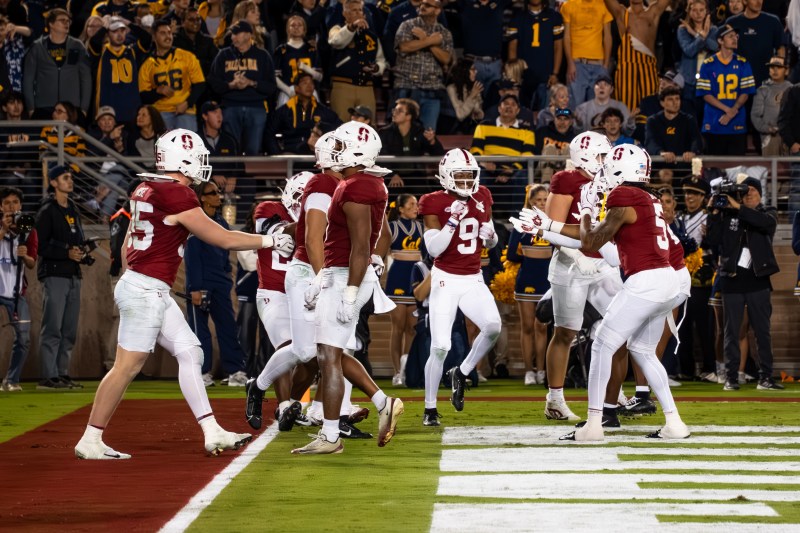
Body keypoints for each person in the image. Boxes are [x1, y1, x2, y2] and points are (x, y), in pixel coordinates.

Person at [73, 128, 294, 460]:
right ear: (183, 158)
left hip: (146, 286)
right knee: (127, 367)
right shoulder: (177, 193)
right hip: (145, 290)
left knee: (190, 352)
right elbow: (221, 237)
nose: (203, 163)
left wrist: (134, 274)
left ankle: (212, 431)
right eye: (199, 156)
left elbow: (126, 243)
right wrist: (269, 241)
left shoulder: (145, 188)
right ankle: (90, 438)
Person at [516, 143, 690, 441]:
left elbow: (592, 240)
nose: (604, 170)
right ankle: (675, 423)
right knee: (643, 351)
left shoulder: (623, 195)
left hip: (645, 283)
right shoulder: (647, 197)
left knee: (601, 346)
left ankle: (594, 425)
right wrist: (547, 226)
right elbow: (598, 239)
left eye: (609, 165)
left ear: (621, 169)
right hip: (666, 281)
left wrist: (584, 208)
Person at [292, 122, 404, 454]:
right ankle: (383, 403)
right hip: (342, 273)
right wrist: (324, 276)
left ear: (355, 151)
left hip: (346, 277)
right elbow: (378, 238)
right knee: (333, 354)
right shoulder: (365, 183)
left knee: (327, 355)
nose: (335, 150)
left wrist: (351, 290)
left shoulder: (356, 187)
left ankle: (329, 436)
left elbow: (357, 246)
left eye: (341, 145)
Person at [533, 131, 622, 422]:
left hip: (603, 263)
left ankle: (612, 396)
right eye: (600, 155)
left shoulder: (609, 179)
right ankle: (554, 399)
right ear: (584, 155)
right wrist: (580, 250)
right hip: (572, 263)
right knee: (565, 333)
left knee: (621, 328)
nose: (605, 161)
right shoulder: (567, 179)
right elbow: (552, 230)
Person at [418, 149, 501, 425]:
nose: (466, 180)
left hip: (473, 277)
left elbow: (489, 238)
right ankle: (430, 409)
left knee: (493, 326)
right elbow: (433, 248)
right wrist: (452, 220)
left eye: (469, 174)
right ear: (446, 176)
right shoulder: (433, 201)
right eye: (460, 175)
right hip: (445, 278)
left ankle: (461, 373)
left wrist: (491, 237)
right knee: (440, 346)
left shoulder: (483, 196)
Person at [705, 175, 783, 390]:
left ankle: (765, 377)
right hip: (732, 280)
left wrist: (737, 207)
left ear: (760, 193)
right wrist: (713, 213)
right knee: (731, 331)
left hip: (758, 280)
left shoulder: (768, 212)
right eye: (744, 191)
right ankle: (731, 378)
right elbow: (712, 241)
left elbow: (764, 224)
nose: (749, 193)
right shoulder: (728, 214)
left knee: (762, 331)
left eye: (752, 190)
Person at [252, 171, 315, 424]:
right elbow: (275, 233)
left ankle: (292, 405)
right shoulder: (269, 208)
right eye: (300, 196)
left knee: (312, 357)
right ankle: (284, 404)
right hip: (273, 292)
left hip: (304, 294)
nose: (303, 203)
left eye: (308, 198)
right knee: (287, 345)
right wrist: (319, 220)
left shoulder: (319, 218)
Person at [185, 179, 250, 387]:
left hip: (221, 283)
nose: (217, 196)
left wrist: (226, 274)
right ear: (202, 197)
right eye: (212, 193)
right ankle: (201, 372)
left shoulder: (221, 222)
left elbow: (225, 253)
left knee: (227, 327)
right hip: (201, 283)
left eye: (217, 192)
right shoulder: (195, 221)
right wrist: (195, 287)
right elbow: (192, 257)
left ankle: (235, 371)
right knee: (199, 330)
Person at [35, 165, 88, 390]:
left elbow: (78, 239)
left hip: (73, 273)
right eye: (65, 178)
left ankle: (62, 373)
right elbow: (40, 245)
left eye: (70, 178)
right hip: (55, 273)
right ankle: (49, 376)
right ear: (54, 182)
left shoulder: (73, 209)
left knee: (69, 329)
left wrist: (82, 252)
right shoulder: (47, 210)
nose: (70, 181)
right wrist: (66, 252)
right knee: (53, 327)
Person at [208, 20, 276, 156]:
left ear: (248, 35)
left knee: (253, 150)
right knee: (232, 149)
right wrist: (231, 85)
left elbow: (271, 87)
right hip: (230, 107)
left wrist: (251, 83)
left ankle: (249, 178)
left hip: (256, 107)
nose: (233, 37)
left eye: (237, 33)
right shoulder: (223, 55)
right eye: (232, 34)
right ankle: (233, 177)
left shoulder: (262, 56)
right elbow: (213, 83)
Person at [506, 185, 550, 385]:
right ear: (531, 202)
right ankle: (528, 371)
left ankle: (541, 369)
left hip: (547, 280)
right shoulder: (521, 224)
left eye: (545, 199)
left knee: (542, 326)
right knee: (527, 327)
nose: (542, 203)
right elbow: (511, 255)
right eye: (539, 200)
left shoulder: (552, 223)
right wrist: (529, 258)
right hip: (527, 279)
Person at [393, 0, 453, 131]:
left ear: (437, 10)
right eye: (422, 4)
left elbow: (446, 58)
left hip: (432, 90)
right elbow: (404, 47)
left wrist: (424, 39)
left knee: (427, 135)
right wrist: (431, 40)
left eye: (427, 5)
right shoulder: (408, 25)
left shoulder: (445, 33)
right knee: (401, 132)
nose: (422, 7)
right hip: (406, 87)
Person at [696, 24, 756, 155]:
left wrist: (732, 111)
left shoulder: (743, 63)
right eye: (730, 36)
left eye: (736, 36)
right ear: (720, 40)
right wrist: (728, 110)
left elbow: (746, 92)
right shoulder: (708, 64)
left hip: (737, 124)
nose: (735, 39)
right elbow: (705, 94)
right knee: (714, 169)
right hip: (713, 123)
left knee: (737, 169)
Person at [138, 19, 206, 132]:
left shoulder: (187, 56)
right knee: (165, 148)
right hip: (160, 112)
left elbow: (200, 84)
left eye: (169, 33)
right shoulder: (146, 65)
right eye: (163, 33)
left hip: (185, 110)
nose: (168, 36)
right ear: (154, 37)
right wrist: (157, 92)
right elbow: (143, 95)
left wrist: (187, 103)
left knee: (187, 148)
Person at [23, 9, 91, 120]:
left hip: (71, 108)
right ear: (51, 24)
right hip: (43, 107)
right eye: (62, 20)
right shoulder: (37, 47)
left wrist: (83, 109)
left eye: (68, 21)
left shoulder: (77, 46)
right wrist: (31, 108)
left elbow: (86, 79)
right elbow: (28, 79)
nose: (66, 23)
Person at [602, 0, 669, 112]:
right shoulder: (621, 12)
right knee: (626, 110)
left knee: (651, 108)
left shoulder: (653, 11)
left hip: (648, 67)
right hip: (626, 66)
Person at [0, 187, 36, 392]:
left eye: (15, 202)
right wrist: (4, 231)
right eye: (7, 203)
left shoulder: (29, 229)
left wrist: (24, 255)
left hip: (16, 292)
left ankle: (11, 380)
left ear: (20, 205)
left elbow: (32, 263)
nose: (12, 206)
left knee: (24, 337)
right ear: (1, 206)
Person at [385, 193, 422, 386]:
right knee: (397, 327)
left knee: (412, 328)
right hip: (398, 278)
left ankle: (407, 368)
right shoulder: (392, 228)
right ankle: (396, 372)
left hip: (415, 279)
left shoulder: (422, 228)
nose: (416, 207)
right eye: (412, 204)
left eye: (417, 204)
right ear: (400, 209)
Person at [328, 0, 387, 122]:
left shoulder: (372, 37)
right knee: (341, 126)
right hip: (343, 86)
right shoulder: (336, 29)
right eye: (354, 10)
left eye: (360, 10)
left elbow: (381, 60)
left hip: (367, 87)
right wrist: (352, 26)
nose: (359, 13)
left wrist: (376, 68)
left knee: (368, 127)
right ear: (345, 14)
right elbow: (336, 42)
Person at [87, 15, 150, 125]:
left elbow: (147, 38)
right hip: (106, 111)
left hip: (131, 110)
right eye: (114, 31)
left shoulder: (132, 51)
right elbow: (94, 42)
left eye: (122, 30)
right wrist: (104, 26)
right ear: (108, 33)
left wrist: (129, 23)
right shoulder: (101, 51)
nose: (119, 34)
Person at [379, 98, 445, 195]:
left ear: (409, 116)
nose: (394, 113)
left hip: (416, 176)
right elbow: (382, 157)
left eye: (399, 111)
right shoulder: (384, 133)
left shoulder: (419, 131)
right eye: (394, 110)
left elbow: (438, 154)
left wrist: (432, 141)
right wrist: (392, 175)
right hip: (393, 175)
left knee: (423, 193)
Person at [507, 0, 564, 111]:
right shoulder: (518, 17)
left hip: (546, 77)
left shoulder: (554, 16)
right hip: (524, 77)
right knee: (522, 114)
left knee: (545, 115)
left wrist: (555, 73)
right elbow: (512, 47)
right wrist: (513, 75)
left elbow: (558, 47)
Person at [559, 0, 613, 108]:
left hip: (598, 65)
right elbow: (566, 36)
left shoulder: (603, 5)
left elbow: (607, 36)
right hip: (577, 65)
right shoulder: (568, 5)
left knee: (597, 111)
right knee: (575, 110)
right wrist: (570, 63)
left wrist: (605, 65)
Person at [644, 86, 703, 164]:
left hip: (683, 165)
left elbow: (696, 139)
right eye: (670, 99)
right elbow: (651, 142)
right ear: (662, 103)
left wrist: (692, 152)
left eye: (677, 99)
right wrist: (661, 152)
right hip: (661, 165)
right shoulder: (653, 121)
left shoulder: (689, 120)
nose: (675, 103)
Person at [274, 15, 322, 108]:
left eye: (299, 25)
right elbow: (274, 77)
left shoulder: (311, 49)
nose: (296, 27)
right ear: (288, 29)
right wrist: (289, 90)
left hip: (309, 92)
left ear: (304, 29)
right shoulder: (281, 50)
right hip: (287, 93)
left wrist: (306, 69)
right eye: (293, 25)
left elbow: (319, 77)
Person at [677, 0, 720, 103]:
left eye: (701, 10)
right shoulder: (683, 30)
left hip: (709, 80)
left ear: (706, 12)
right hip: (689, 82)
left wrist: (696, 35)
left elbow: (715, 47)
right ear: (689, 12)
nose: (698, 14)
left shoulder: (713, 30)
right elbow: (689, 51)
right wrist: (701, 37)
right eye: (694, 10)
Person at [751, 55, 791, 156]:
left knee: (791, 169)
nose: (775, 70)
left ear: (786, 71)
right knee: (771, 168)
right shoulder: (762, 90)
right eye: (772, 67)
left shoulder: (793, 89)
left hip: (791, 138)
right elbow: (755, 116)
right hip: (770, 137)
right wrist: (768, 129)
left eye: (779, 67)